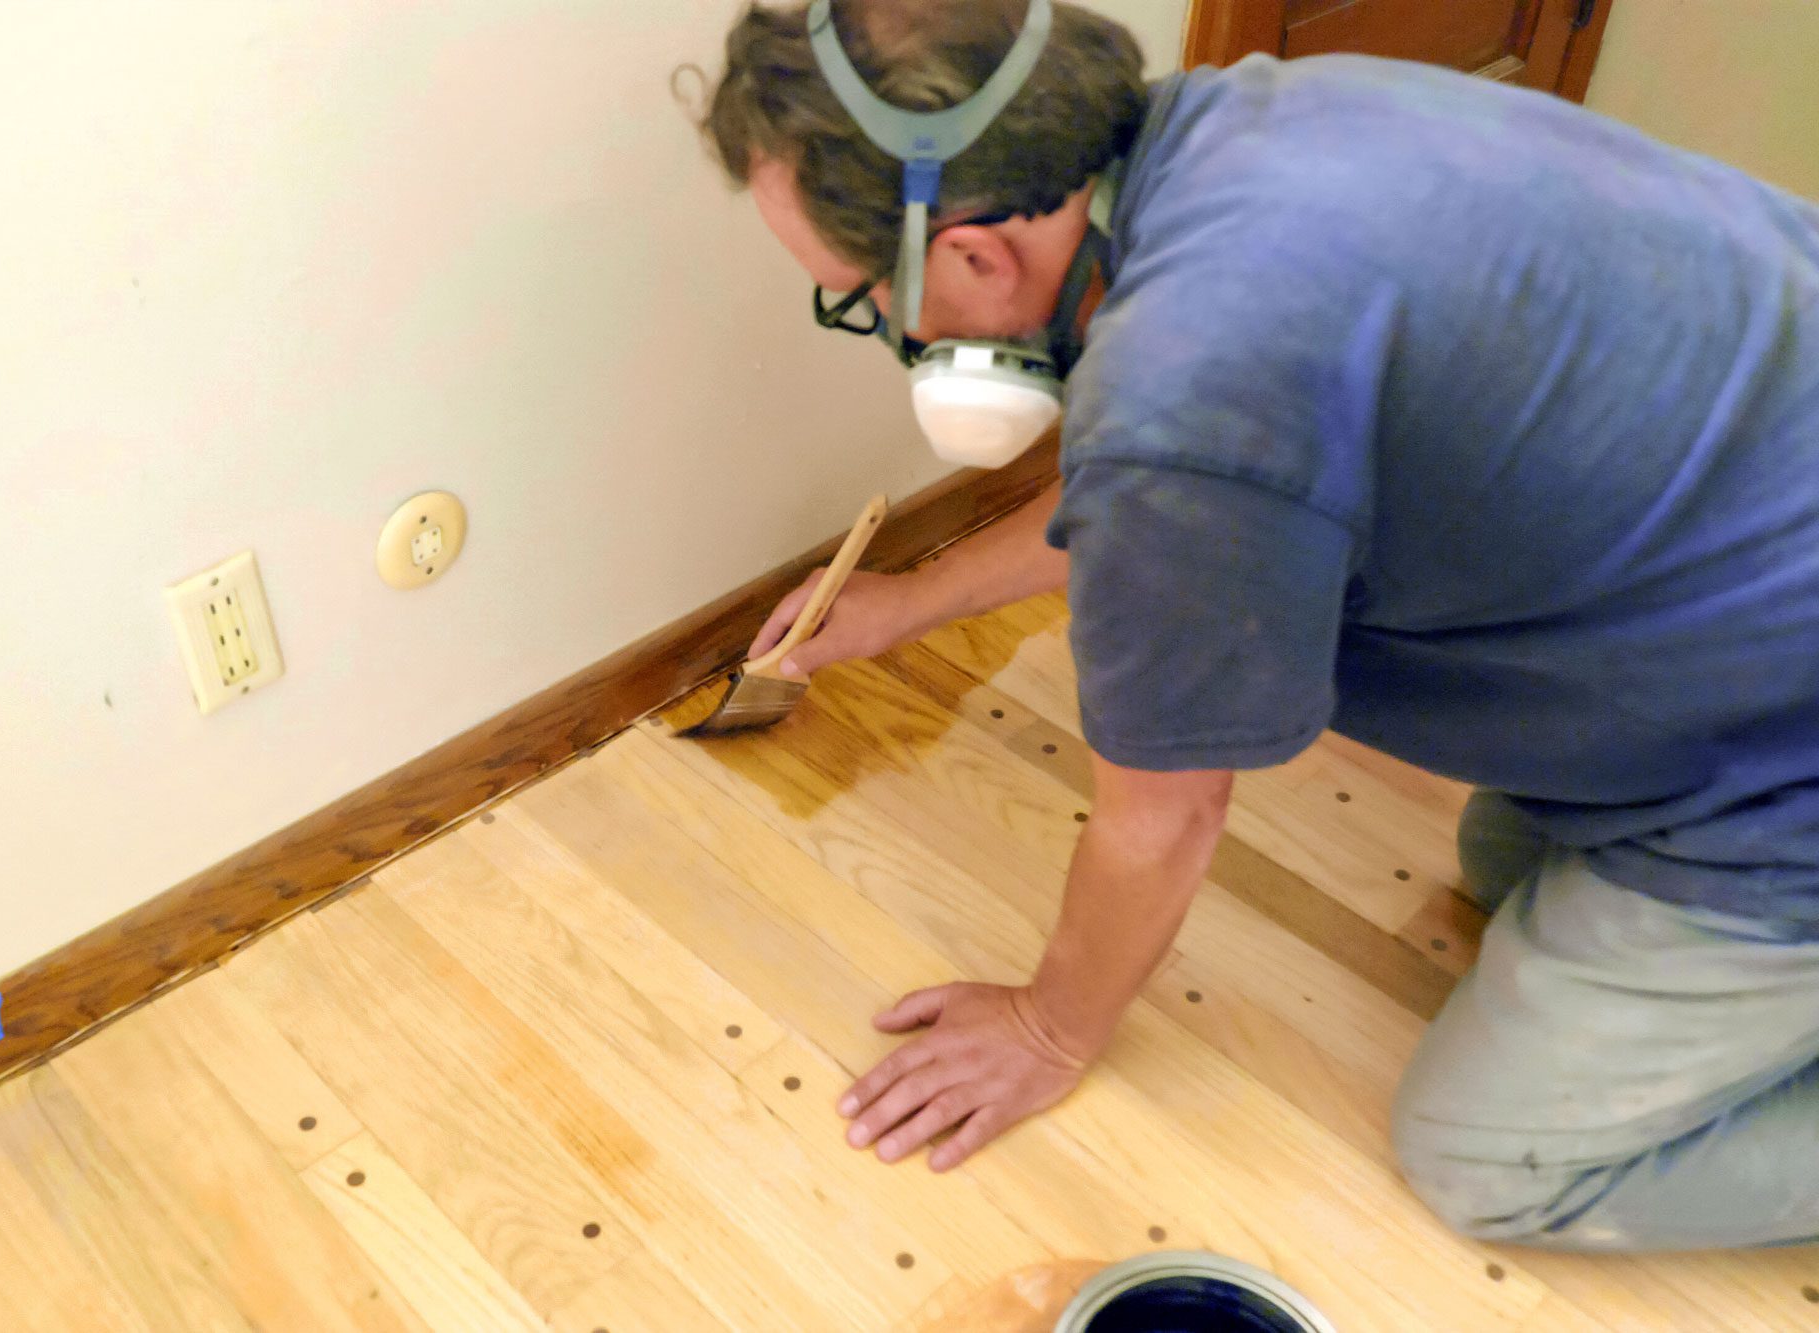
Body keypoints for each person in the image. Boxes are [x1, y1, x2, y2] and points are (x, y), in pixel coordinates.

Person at [695, 0, 1819, 1251]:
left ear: (971, 258)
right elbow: (1188, 483)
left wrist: (1048, 1026)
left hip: (1786, 749)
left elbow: (1166, 809)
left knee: (1488, 1159)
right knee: (1503, 870)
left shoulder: (1187, 386)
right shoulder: (1258, 122)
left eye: (858, 300)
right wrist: (913, 599)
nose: (887, 334)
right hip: (1754, 596)